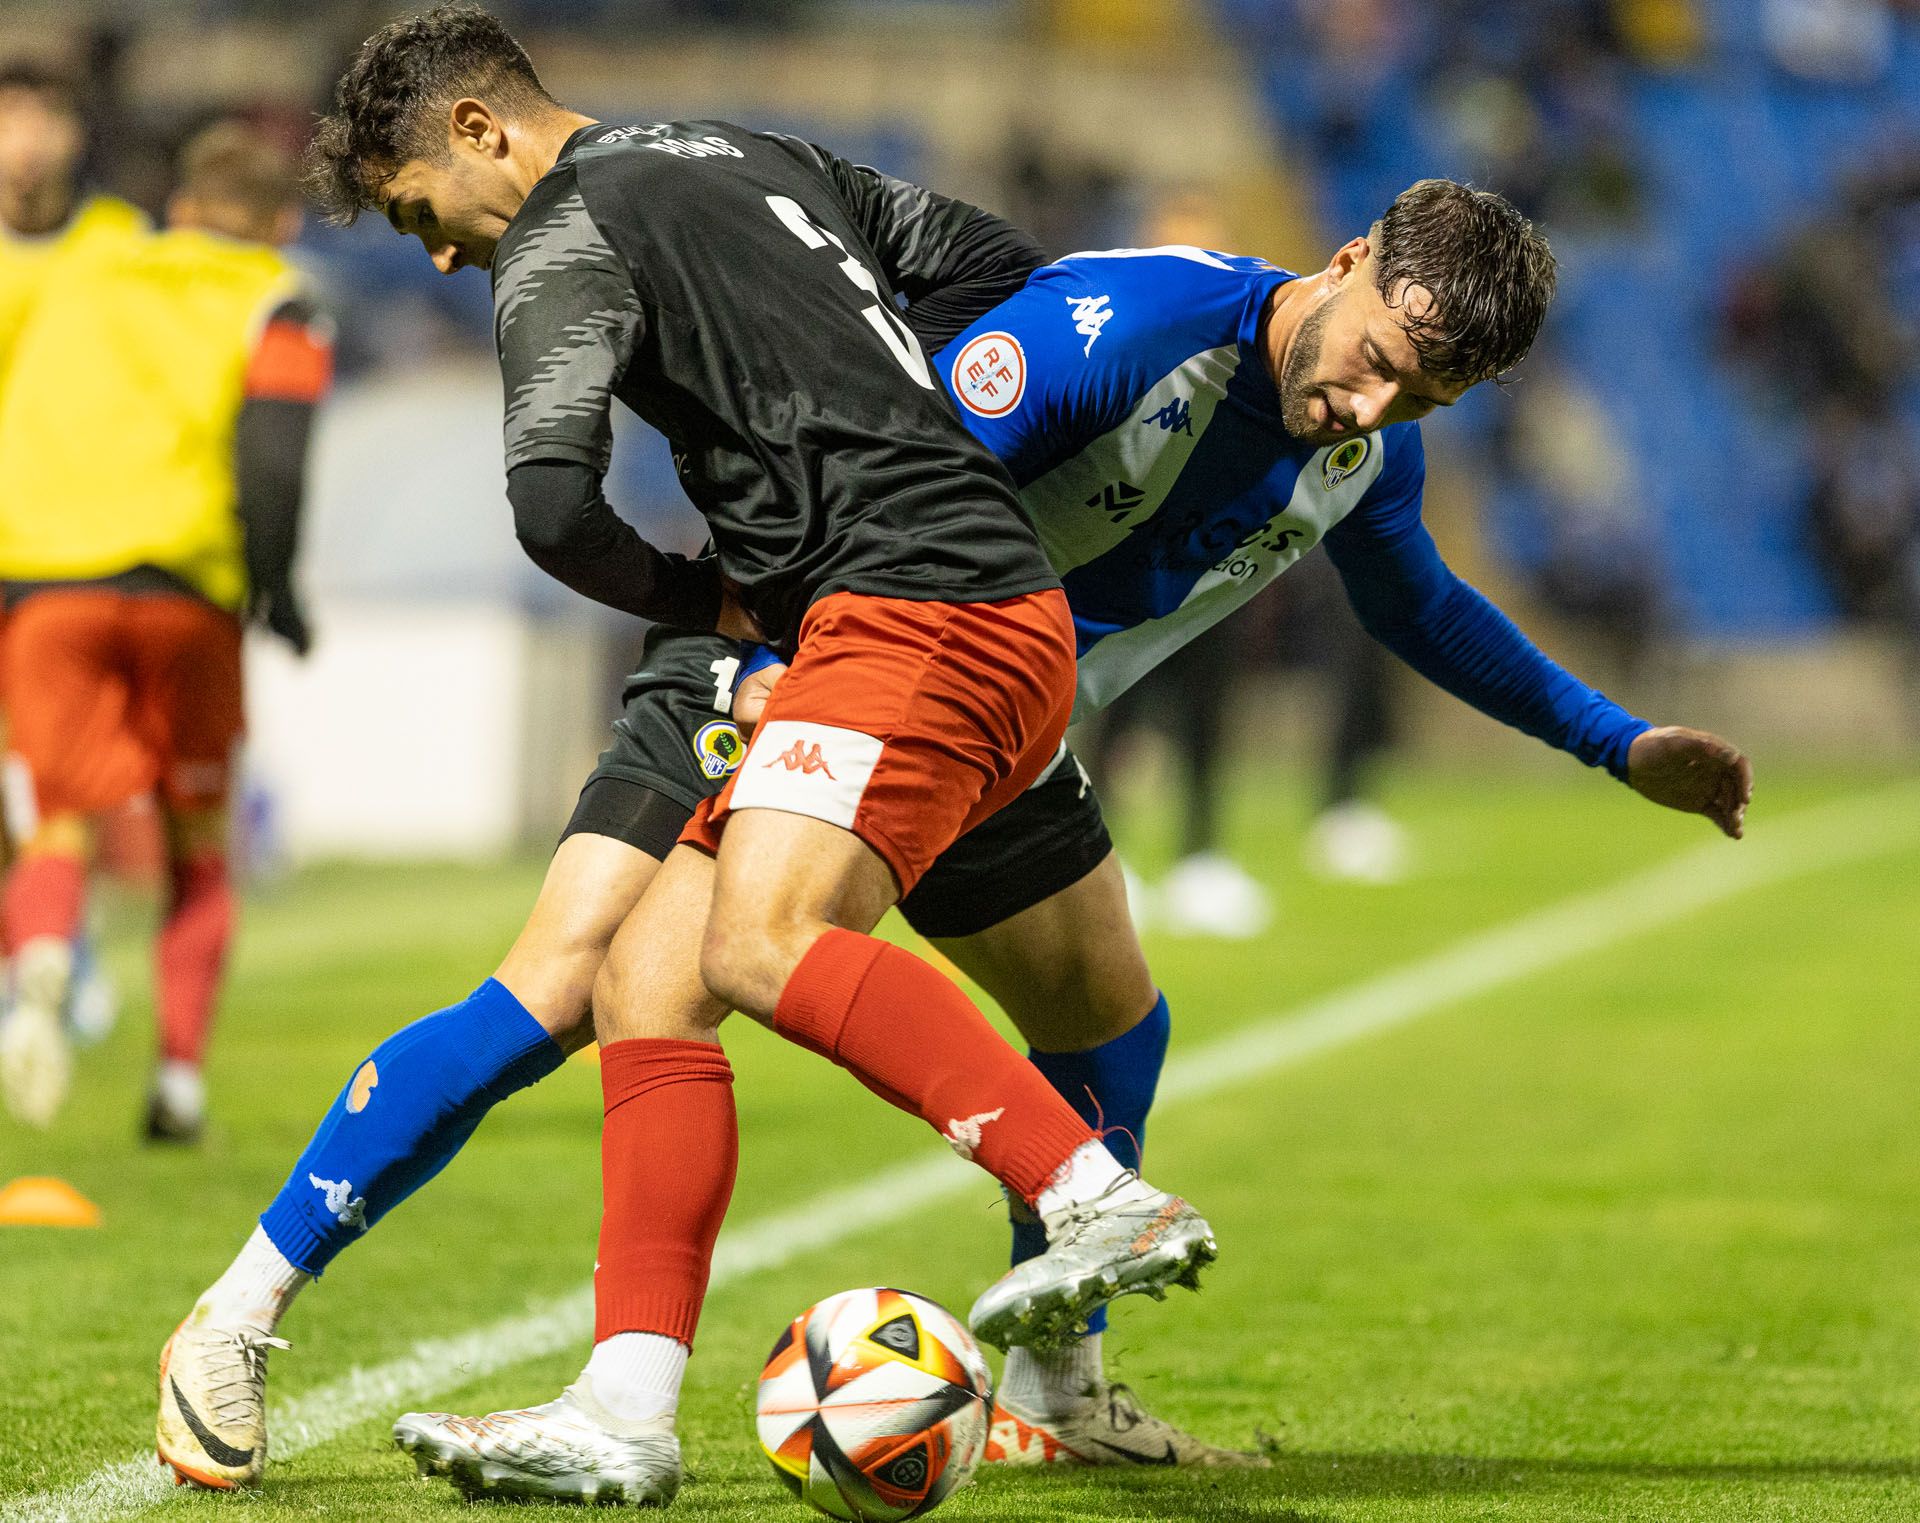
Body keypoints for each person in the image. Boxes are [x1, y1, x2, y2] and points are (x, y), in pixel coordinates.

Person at [156, 130, 1751, 1509]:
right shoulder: (1144, 321)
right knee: (590, 981)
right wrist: (777, 664)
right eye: (1377, 356)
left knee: (1106, 1004)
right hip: (834, 640)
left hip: (995, 707)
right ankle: (242, 1315)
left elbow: (1424, 610)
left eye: (1429, 393)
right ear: (1342, 261)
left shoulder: (1364, 454)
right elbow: (904, 472)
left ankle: (1040, 1379)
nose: (1370, 400)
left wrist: (1619, 745)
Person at [159, 7, 1217, 1500]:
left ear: (479, 131)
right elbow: (990, 261)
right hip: (906, 603)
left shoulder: (560, 239)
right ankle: (624, 1406)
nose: (444, 260)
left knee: (754, 943)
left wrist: (712, 588)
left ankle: (1085, 1188)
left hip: (884, 614)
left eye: (420, 218)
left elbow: (551, 504)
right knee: (640, 975)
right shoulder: (750, 147)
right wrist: (870, 423)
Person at [0, 122, 331, 1137]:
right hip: (186, 586)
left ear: (180, 208)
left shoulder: (86, 270)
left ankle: (45, 956)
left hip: (47, 579)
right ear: (282, 220)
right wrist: (278, 588)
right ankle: (180, 1079)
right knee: (199, 845)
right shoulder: (275, 294)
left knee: (55, 820)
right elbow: (275, 457)